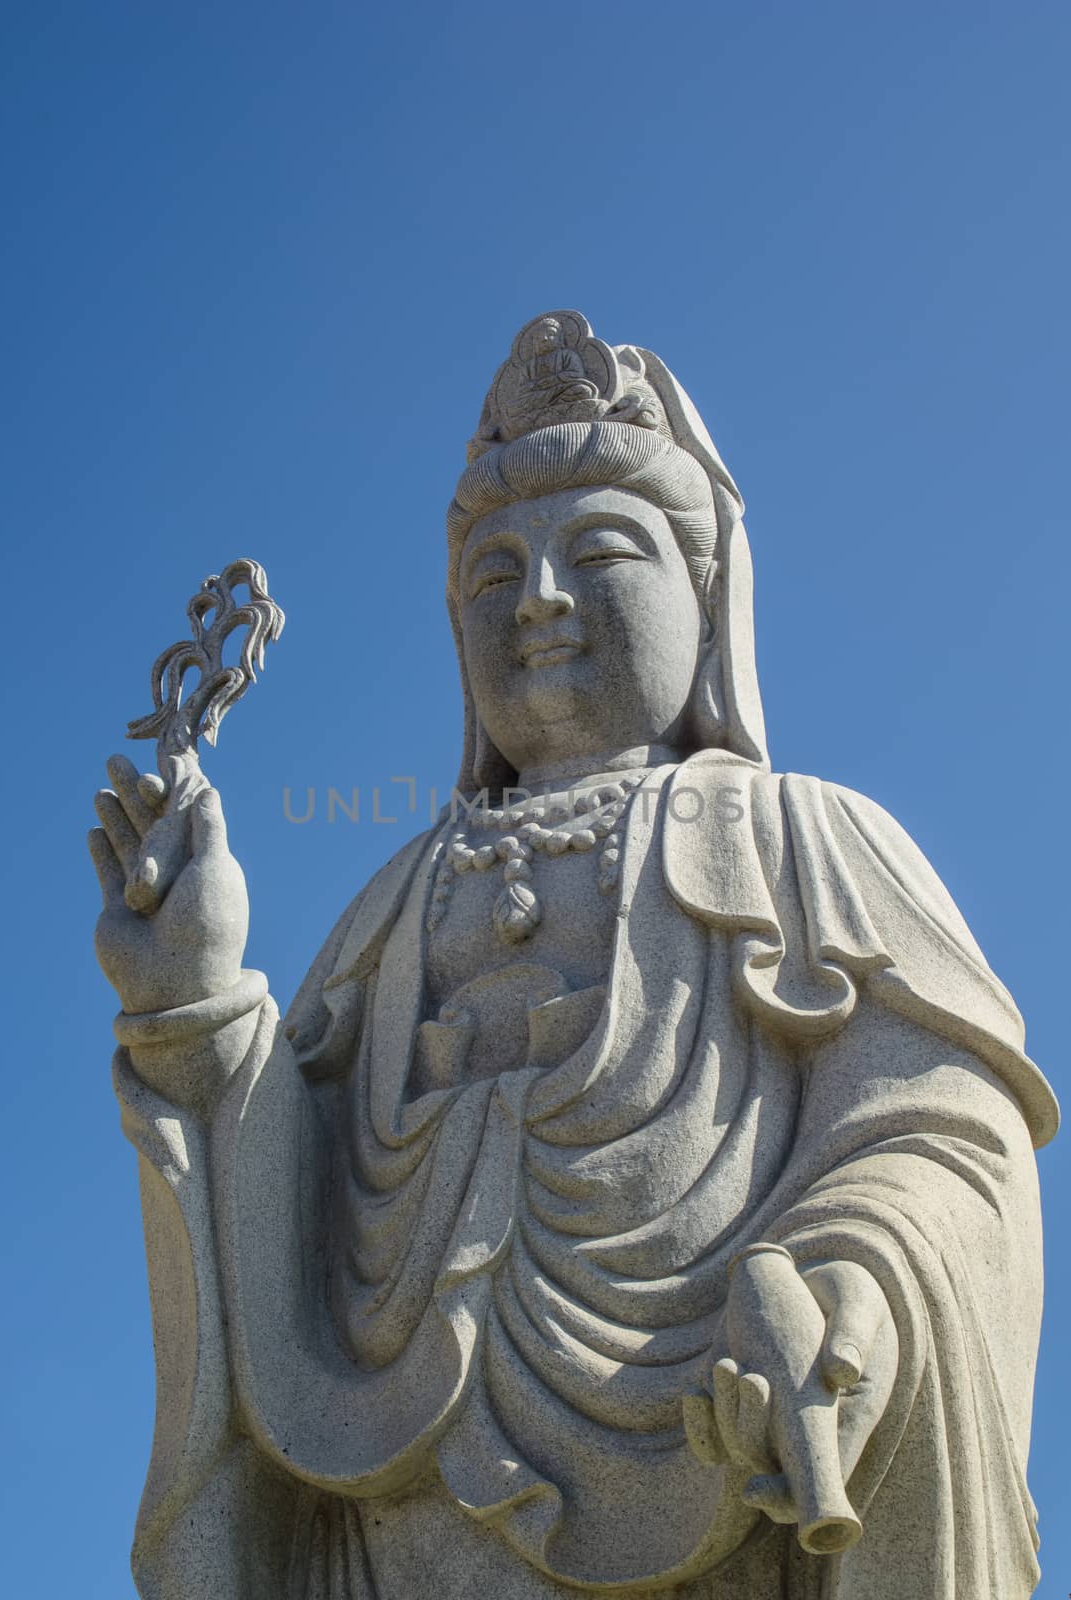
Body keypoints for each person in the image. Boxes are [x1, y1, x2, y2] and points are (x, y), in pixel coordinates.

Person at [90, 315, 1057, 1599]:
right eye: (493, 575)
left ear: (703, 602)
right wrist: (197, 1000)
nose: (538, 599)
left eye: (597, 552)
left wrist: (855, 1289)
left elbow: (939, 1125)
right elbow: (295, 1207)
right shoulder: (397, 898)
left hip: (715, 1453)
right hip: (396, 1510)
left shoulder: (803, 837)